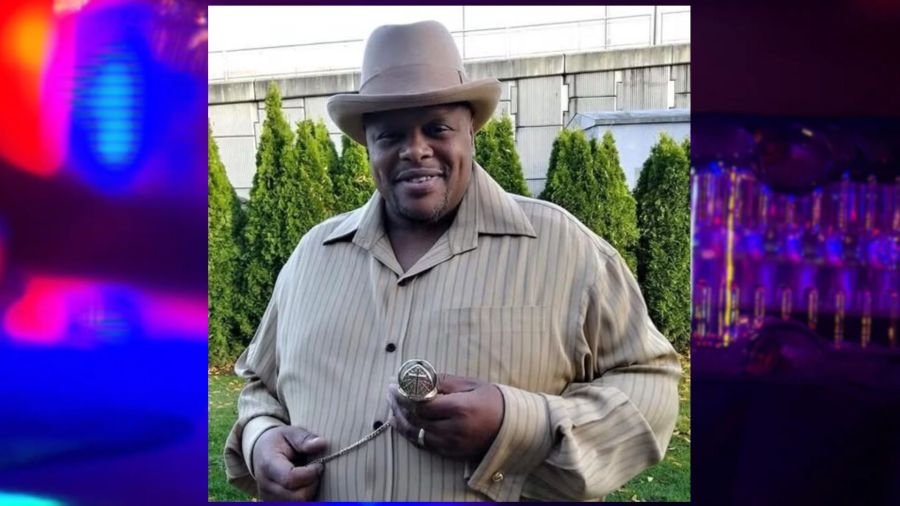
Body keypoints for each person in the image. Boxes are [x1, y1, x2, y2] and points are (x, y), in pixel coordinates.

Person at [224, 20, 681, 502]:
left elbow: (651, 387)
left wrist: (515, 424)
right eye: (390, 135)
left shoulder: (566, 250)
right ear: (369, 147)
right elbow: (260, 386)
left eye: (437, 128)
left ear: (471, 132)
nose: (415, 150)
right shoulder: (311, 259)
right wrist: (260, 439)